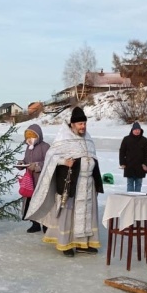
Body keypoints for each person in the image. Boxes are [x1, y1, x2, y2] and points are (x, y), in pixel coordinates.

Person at [26, 106, 103, 257]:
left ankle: (83, 244)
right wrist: (64, 161)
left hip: (88, 185)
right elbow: (51, 157)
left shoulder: (88, 138)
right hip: (71, 183)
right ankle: (65, 243)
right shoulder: (63, 138)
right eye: (80, 124)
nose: (83, 126)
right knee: (68, 215)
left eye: (84, 123)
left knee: (86, 216)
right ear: (72, 124)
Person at [17, 123, 49, 233]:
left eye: (32, 136)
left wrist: (38, 166)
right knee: (31, 201)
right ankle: (35, 223)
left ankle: (46, 225)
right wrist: (22, 163)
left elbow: (50, 162)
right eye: (27, 137)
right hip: (31, 180)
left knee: (42, 201)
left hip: (42, 180)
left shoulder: (45, 147)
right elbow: (26, 160)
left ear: (38, 136)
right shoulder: (28, 148)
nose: (29, 139)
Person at [119, 121, 147, 192]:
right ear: (132, 130)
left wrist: (145, 164)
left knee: (138, 183)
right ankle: (130, 199)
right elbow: (122, 151)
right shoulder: (126, 139)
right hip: (129, 165)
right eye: (135, 130)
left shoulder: (144, 140)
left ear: (140, 130)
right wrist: (122, 163)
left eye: (138, 130)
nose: (137, 131)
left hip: (140, 166)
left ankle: (137, 198)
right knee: (130, 183)